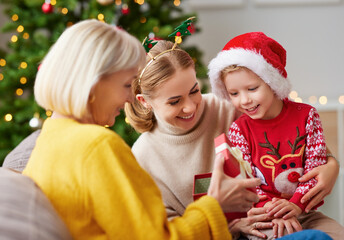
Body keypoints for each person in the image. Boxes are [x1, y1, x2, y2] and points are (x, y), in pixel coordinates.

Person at [22, 19, 262, 240]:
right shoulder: (96, 145)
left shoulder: (49, 138)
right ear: (95, 83)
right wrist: (215, 205)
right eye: (126, 84)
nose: (129, 98)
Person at [124, 40, 340, 239]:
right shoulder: (142, 156)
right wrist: (231, 228)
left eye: (194, 91)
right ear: (144, 102)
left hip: (282, 213)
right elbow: (165, 232)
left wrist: (332, 166)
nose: (190, 107)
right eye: (174, 102)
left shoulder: (229, 104)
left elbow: (297, 138)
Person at [208, 31, 344, 239]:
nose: (244, 100)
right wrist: (274, 212)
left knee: (336, 234)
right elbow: (247, 180)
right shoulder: (239, 129)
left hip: (305, 210)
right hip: (262, 215)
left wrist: (295, 205)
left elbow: (315, 167)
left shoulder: (307, 115)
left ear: (272, 82)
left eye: (252, 89)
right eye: (234, 93)